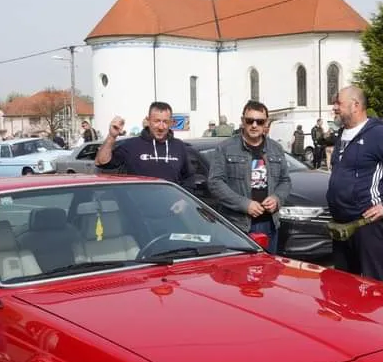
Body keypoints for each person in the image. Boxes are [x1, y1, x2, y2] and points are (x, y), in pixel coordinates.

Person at [326, 86, 383, 283]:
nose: (334, 107)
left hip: (367, 226)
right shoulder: (342, 134)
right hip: (341, 226)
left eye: (339, 103)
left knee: (375, 287)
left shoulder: (378, 135)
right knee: (343, 286)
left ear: (355, 105)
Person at [206, 101, 291, 253]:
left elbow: (285, 181)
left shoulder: (276, 149)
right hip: (237, 226)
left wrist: (277, 198)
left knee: (268, 267)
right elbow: (215, 182)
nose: (254, 125)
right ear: (242, 121)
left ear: (266, 123)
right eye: (250, 120)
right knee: (240, 268)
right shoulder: (225, 148)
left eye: (259, 121)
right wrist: (244, 204)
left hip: (269, 224)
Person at [95, 101, 192, 186]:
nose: (161, 127)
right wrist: (111, 136)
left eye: (165, 122)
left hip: (170, 202)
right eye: (157, 121)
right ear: (148, 120)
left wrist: (182, 200)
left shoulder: (179, 146)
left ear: (171, 123)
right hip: (138, 202)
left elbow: (189, 178)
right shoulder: (131, 145)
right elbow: (102, 162)